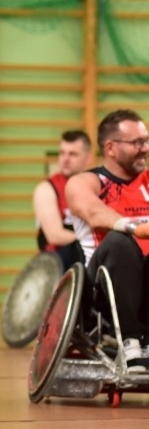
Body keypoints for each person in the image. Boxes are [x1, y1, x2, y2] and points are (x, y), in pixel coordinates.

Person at [66, 109, 149, 372]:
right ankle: (131, 343)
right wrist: (133, 226)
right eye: (137, 142)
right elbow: (92, 211)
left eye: (146, 141)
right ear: (111, 148)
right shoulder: (86, 181)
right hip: (104, 289)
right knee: (119, 241)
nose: (145, 148)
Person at [33, 130, 91, 270]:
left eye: (72, 154)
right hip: (58, 263)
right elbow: (55, 235)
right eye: (62, 153)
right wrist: (91, 242)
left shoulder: (95, 186)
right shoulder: (46, 189)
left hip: (86, 258)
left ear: (87, 158)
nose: (65, 159)